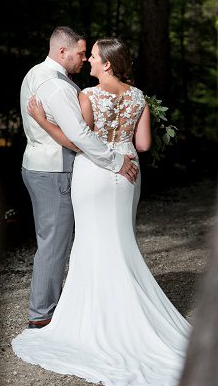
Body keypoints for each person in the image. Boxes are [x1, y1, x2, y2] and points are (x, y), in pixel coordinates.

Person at [12, 37, 192, 386]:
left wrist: (41, 121)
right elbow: (143, 145)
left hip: (94, 172)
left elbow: (79, 139)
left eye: (93, 56)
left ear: (107, 64)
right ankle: (129, 316)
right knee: (120, 240)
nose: (89, 61)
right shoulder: (139, 97)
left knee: (91, 242)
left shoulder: (88, 96)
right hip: (129, 171)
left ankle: (94, 320)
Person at [19, 27, 139, 329]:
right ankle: (43, 314)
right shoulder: (57, 87)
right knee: (55, 241)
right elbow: (79, 136)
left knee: (55, 239)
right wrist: (115, 161)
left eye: (89, 55)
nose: (84, 59)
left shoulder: (37, 73)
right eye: (81, 53)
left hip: (38, 164)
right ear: (63, 52)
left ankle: (54, 306)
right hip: (53, 169)